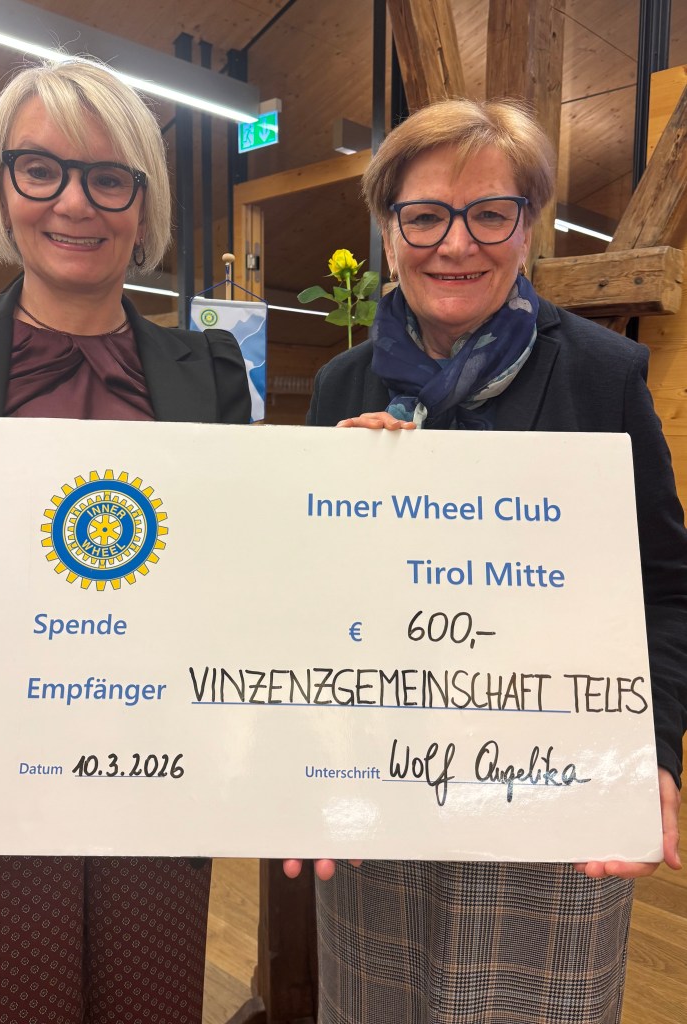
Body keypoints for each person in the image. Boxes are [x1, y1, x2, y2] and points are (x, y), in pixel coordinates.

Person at [292, 99, 687, 1024]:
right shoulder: (345, 385)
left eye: (490, 213)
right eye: (425, 215)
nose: (456, 244)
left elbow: (666, 590)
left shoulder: (600, 374)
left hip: (554, 800)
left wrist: (656, 752)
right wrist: (333, 517)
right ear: (388, 231)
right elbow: (307, 602)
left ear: (528, 225)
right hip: (378, 796)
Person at [0, 58, 250, 1023]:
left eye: (109, 178)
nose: (74, 202)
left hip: (157, 786)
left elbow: (238, 578)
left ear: (143, 206)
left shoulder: (208, 372)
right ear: (1, 185)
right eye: (41, 169)